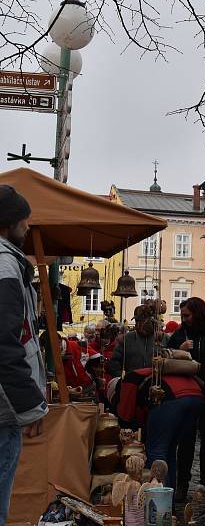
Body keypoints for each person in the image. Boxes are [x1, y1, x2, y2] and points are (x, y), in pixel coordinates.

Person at [0, 186, 47, 523]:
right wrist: (29, 405)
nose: (28, 227)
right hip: (2, 411)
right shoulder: (5, 264)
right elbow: (4, 342)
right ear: (8, 222)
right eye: (24, 220)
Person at [168, 297, 205, 501]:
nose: (183, 319)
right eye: (182, 315)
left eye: (187, 315)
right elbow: (167, 358)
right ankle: (182, 484)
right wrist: (179, 351)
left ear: (198, 313)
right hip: (187, 393)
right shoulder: (180, 334)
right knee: (185, 440)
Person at [108, 304, 157, 377]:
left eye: (143, 320)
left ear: (151, 320)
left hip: (155, 383)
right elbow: (114, 362)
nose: (139, 324)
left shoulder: (162, 338)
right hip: (132, 383)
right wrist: (123, 379)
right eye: (137, 321)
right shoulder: (127, 338)